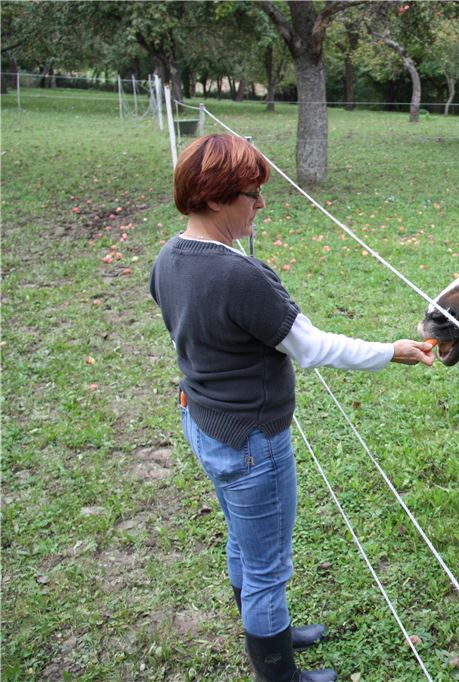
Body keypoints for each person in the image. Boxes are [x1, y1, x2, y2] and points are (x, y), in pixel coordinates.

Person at [149, 134, 434, 682]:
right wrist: (390, 352)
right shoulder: (241, 275)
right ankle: (278, 673)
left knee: (241, 537)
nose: (261, 204)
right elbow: (311, 347)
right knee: (267, 568)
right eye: (251, 194)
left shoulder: (168, 258)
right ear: (214, 199)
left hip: (203, 421)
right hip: (252, 441)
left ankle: (268, 634)